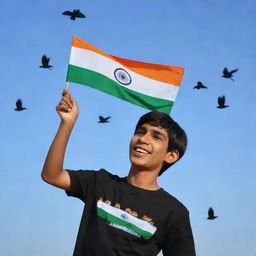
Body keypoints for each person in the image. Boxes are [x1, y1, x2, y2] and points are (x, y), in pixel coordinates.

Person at [41, 89, 196, 256]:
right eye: (140, 131)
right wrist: (67, 123)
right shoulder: (99, 182)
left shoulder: (174, 212)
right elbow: (52, 175)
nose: (143, 139)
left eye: (156, 137)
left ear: (171, 156)